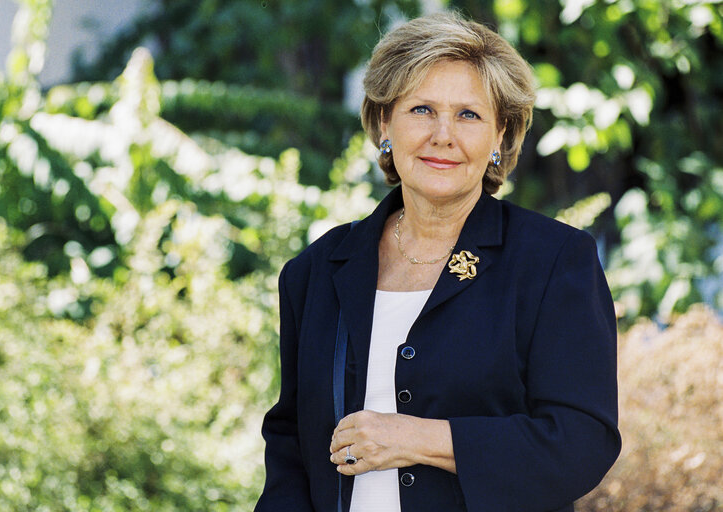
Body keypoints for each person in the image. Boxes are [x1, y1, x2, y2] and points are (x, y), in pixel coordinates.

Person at [255, 11, 620, 512]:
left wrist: (418, 439)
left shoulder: (553, 262)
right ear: (385, 122)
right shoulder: (316, 271)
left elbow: (581, 442)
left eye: (469, 115)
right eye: (422, 110)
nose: (443, 135)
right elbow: (291, 449)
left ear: (500, 136)